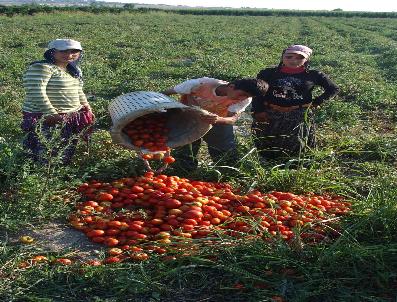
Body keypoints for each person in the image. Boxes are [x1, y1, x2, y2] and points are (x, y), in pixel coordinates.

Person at [251, 44, 340, 159]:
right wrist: (258, 110)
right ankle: (266, 163)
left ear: (306, 59)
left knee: (297, 143)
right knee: (266, 141)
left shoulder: (314, 75)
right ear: (282, 57)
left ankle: (294, 166)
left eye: (300, 58)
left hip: (298, 115)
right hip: (270, 112)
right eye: (289, 57)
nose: (294, 60)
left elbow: (333, 89)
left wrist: (317, 102)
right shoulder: (268, 73)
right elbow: (257, 92)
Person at [163, 77, 269, 169]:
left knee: (224, 151)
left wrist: (218, 119)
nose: (241, 98)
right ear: (231, 86)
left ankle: (225, 174)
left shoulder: (245, 100)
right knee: (185, 148)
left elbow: (232, 119)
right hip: (188, 119)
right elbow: (166, 93)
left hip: (218, 122)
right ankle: (184, 171)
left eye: (246, 97)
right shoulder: (199, 84)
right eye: (242, 94)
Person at [21, 38, 94, 164]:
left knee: (65, 148)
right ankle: (41, 176)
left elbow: (78, 91)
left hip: (69, 116)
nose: (69, 55)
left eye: (74, 52)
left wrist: (86, 107)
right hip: (45, 116)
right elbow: (36, 91)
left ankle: (60, 174)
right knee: (45, 150)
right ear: (52, 52)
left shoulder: (73, 71)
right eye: (64, 51)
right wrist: (50, 112)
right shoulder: (42, 67)